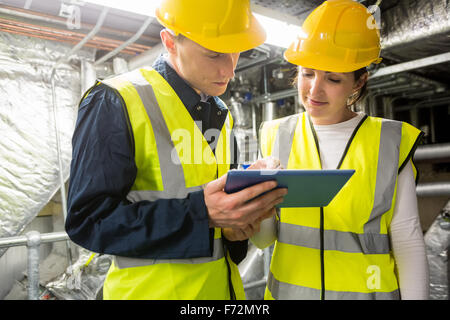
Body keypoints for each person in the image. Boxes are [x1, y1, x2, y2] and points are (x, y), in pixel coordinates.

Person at [65, 0, 287, 300]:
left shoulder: (222, 115)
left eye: (235, 51)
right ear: (170, 42)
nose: (229, 69)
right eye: (214, 54)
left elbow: (218, 228)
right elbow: (88, 222)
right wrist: (202, 213)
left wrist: (236, 231)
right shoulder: (116, 100)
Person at [252, 0, 429, 300]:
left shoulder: (390, 142)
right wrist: (257, 205)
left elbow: (408, 244)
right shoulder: (275, 135)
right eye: (307, 73)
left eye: (333, 78)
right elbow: (264, 240)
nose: (314, 90)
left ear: (359, 81)